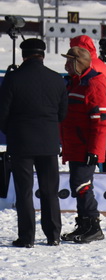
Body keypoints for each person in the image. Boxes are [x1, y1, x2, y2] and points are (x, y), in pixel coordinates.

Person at [0, 38, 67, 248]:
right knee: (50, 191)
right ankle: (53, 235)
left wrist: (12, 131)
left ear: (23, 55)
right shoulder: (57, 79)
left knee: (24, 192)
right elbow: (62, 114)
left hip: (21, 143)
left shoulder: (12, 79)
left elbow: (2, 113)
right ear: (43, 55)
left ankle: (27, 237)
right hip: (48, 143)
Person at [60, 46, 106, 243]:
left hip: (85, 147)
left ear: (77, 63)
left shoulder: (93, 84)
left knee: (82, 185)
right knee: (77, 185)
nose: (65, 65)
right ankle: (83, 224)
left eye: (68, 61)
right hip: (74, 145)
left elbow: (102, 121)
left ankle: (93, 225)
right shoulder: (73, 83)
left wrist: (94, 150)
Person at [69, 35, 106, 173]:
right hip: (105, 108)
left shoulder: (89, 66)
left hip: (90, 110)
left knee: (93, 147)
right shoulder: (100, 63)